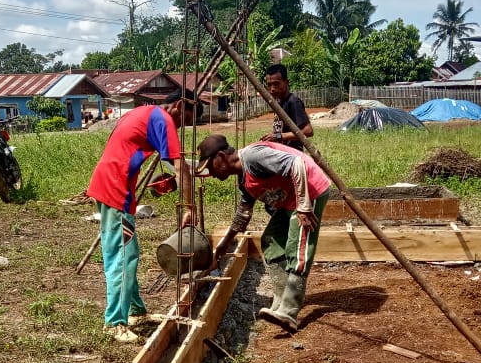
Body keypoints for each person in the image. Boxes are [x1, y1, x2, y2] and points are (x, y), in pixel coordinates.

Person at [87, 89, 200, 342]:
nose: (179, 127)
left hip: (104, 185)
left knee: (121, 252)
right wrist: (189, 207)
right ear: (180, 105)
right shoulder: (164, 119)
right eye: (184, 120)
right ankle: (114, 322)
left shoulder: (143, 112)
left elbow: (171, 162)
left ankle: (136, 311)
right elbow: (179, 166)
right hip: (116, 191)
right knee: (124, 256)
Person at [195, 133, 330, 332]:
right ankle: (281, 302)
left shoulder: (253, 157)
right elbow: (243, 214)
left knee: (298, 246)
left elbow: (297, 163)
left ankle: (289, 312)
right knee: (271, 241)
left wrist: (303, 205)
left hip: (310, 191)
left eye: (210, 167)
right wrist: (224, 244)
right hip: (289, 200)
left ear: (221, 157)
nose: (211, 173)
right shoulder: (243, 178)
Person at [261, 63, 312, 151]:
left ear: (286, 82)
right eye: (269, 85)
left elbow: (308, 131)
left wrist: (278, 136)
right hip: (282, 153)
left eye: (276, 84)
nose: (272, 88)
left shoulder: (293, 102)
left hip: (292, 156)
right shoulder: (279, 104)